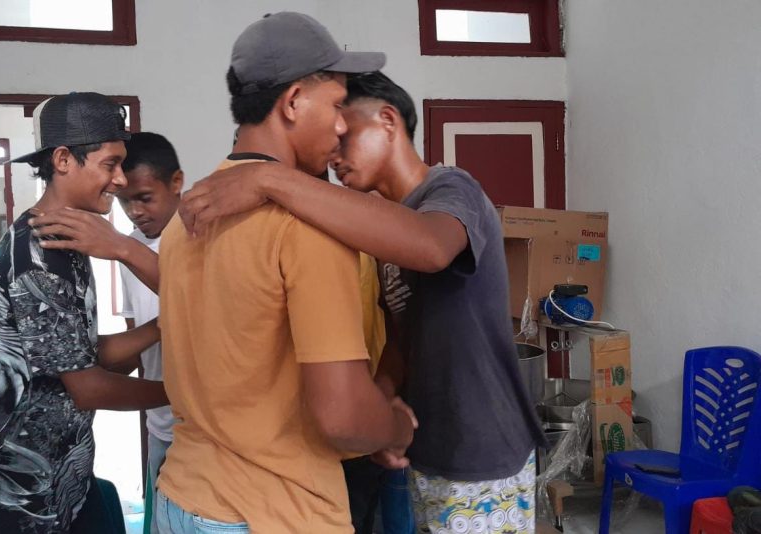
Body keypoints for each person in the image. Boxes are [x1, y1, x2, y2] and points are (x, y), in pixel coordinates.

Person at [178, 72, 548, 534]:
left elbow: (432, 248)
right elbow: (400, 340)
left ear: (388, 121)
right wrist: (383, 405)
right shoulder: (379, 224)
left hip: (482, 448)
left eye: (345, 135)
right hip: (428, 446)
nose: (334, 156)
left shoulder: (452, 189)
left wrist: (269, 177)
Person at [153, 12, 417, 534]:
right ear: (293, 101)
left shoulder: (188, 217)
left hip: (183, 498)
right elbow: (343, 417)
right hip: (275, 512)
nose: (342, 126)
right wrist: (395, 427)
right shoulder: (309, 227)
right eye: (337, 106)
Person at [0, 92, 169, 534]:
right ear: (63, 160)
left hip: (61, 466)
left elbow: (82, 354)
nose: (119, 180)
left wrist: (161, 326)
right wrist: (186, 396)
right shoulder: (39, 253)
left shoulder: (68, 238)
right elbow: (88, 387)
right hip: (23, 484)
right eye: (110, 164)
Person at [116, 132, 184, 534]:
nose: (134, 212)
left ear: (176, 182)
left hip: (208, 427)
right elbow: (133, 344)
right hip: (159, 423)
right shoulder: (128, 249)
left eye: (144, 197)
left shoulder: (207, 237)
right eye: (124, 201)